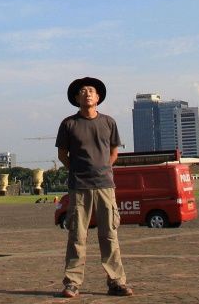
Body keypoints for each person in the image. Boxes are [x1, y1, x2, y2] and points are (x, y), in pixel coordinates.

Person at [56, 76, 133, 298]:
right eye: (83, 91)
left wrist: (103, 169)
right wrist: (79, 170)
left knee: (109, 235)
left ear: (98, 97)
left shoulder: (108, 122)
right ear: (76, 98)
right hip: (79, 186)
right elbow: (62, 155)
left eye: (91, 90)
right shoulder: (68, 124)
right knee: (77, 236)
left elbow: (114, 151)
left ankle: (116, 281)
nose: (87, 93)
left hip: (105, 186)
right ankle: (72, 281)